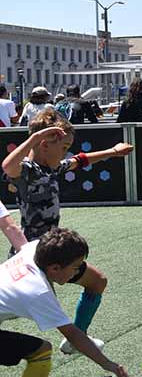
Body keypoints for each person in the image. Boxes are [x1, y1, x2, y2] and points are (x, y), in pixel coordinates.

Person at [2, 110, 135, 355]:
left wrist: (112, 152)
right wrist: (34, 137)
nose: (66, 153)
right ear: (44, 144)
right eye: (63, 147)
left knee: (97, 282)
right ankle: (75, 339)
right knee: (18, 310)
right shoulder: (28, 170)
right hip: (33, 256)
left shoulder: (50, 168)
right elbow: (8, 165)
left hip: (55, 251)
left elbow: (81, 161)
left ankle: (77, 338)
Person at [0, 228, 130, 377]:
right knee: (41, 351)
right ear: (54, 268)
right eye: (75, 268)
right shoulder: (38, 292)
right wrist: (108, 364)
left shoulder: (34, 248)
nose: (76, 273)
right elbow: (73, 335)